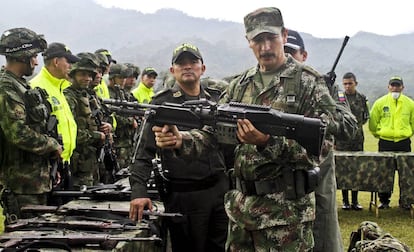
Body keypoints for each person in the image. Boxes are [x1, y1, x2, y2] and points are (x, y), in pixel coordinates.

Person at [152, 8, 356, 251]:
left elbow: (321, 148)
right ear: (248, 42)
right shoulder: (240, 85)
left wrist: (266, 142)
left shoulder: (309, 83)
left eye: (271, 38)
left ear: (284, 35)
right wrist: (181, 140)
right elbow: (212, 133)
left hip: (285, 216)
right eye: (258, 40)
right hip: (242, 212)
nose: (266, 47)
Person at [129, 43, 229, 252]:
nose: (187, 67)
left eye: (193, 62)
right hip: (184, 195)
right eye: (181, 63)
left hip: (221, 192)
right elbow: (142, 152)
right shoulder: (162, 104)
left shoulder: (218, 100)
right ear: (173, 71)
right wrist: (139, 191)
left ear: (203, 68)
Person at [284, 29, 350, 252]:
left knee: (323, 236)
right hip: (282, 185)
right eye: (284, 52)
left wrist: (320, 114)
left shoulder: (320, 86)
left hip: (318, 177)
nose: (288, 58)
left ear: (304, 55)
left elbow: (348, 125)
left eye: (292, 52)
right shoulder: (267, 88)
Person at [0, 27, 62, 221]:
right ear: (22, 56)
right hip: (20, 184)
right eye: (34, 56)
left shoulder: (21, 86)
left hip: (35, 180)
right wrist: (52, 145)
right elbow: (18, 133)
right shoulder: (7, 88)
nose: (36, 61)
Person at [63, 52, 112, 186]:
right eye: (83, 74)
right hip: (78, 164)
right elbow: (70, 132)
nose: (88, 78)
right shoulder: (69, 97)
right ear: (73, 75)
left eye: (90, 75)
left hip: (91, 161)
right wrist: (96, 136)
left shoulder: (88, 96)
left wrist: (107, 128)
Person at [30, 42, 79, 172]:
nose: (71, 66)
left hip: (64, 163)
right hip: (47, 166)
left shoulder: (61, 87)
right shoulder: (36, 88)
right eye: (68, 62)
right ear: (56, 61)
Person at [369, 76, 414, 210]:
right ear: (388, 87)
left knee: (405, 173)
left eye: (398, 86)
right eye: (393, 85)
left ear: (402, 87)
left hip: (403, 142)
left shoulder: (410, 103)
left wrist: (407, 133)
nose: (395, 88)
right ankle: (384, 201)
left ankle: (405, 201)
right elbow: (373, 122)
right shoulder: (380, 103)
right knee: (384, 172)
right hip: (385, 143)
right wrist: (380, 134)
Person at [336, 72, 369, 210]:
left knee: (356, 169)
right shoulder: (339, 98)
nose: (347, 86)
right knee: (343, 170)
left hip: (357, 139)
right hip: (342, 140)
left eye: (350, 83)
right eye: (345, 84)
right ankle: (345, 201)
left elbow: (365, 117)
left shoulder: (361, 98)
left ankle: (355, 201)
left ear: (356, 83)